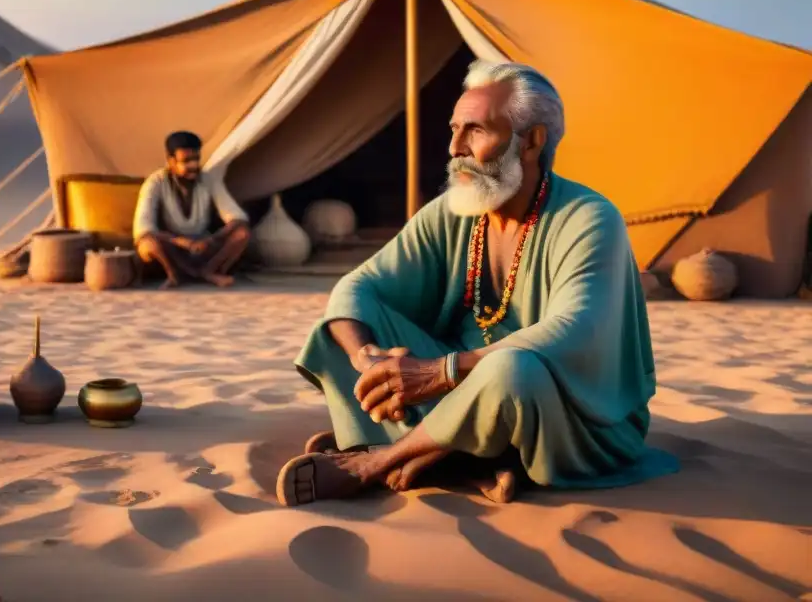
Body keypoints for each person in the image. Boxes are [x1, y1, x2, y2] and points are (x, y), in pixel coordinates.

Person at [276, 60, 677, 507]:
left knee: (510, 370)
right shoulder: (453, 213)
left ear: (531, 142)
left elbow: (574, 329)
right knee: (341, 325)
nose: (454, 148)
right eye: (453, 129)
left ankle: (379, 460)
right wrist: (367, 360)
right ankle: (461, 454)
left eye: (476, 131)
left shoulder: (589, 217)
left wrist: (440, 372)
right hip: (467, 392)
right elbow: (358, 288)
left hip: (574, 420)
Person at [133, 131, 251, 288]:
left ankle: (209, 271)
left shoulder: (208, 178)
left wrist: (212, 239)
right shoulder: (155, 182)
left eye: (196, 159)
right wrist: (180, 241)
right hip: (173, 246)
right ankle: (173, 275)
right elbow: (143, 228)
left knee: (242, 233)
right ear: (171, 161)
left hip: (203, 245)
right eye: (186, 161)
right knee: (147, 245)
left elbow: (237, 217)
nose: (193, 166)